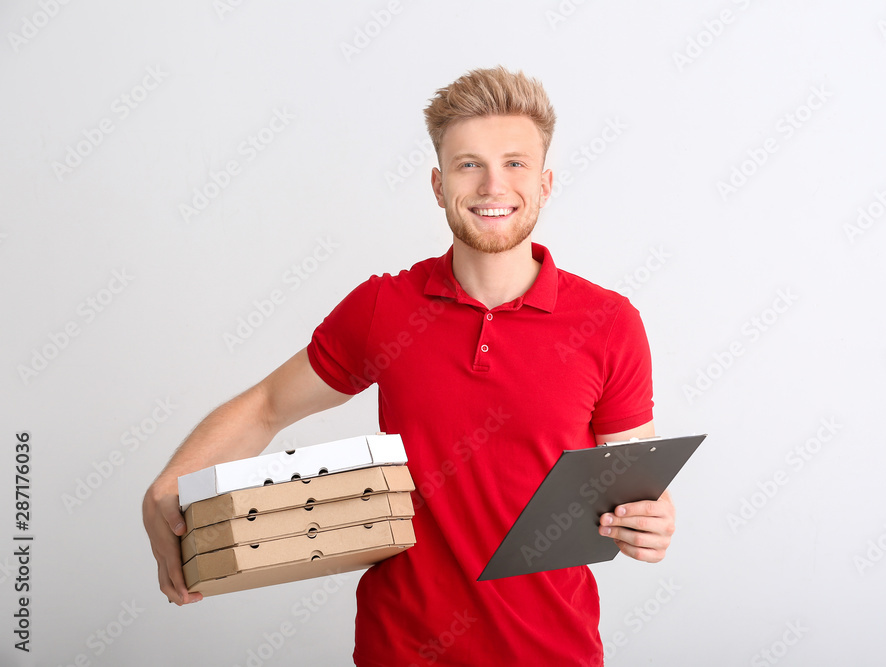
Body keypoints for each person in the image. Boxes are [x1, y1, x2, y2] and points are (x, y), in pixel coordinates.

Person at [142, 65, 676, 666]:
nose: (493, 185)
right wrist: (172, 480)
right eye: (469, 164)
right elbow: (267, 406)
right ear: (438, 184)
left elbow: (631, 485)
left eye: (515, 163)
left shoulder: (609, 323)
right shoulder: (386, 307)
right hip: (400, 650)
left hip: (553, 650)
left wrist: (650, 523)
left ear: (545, 183)